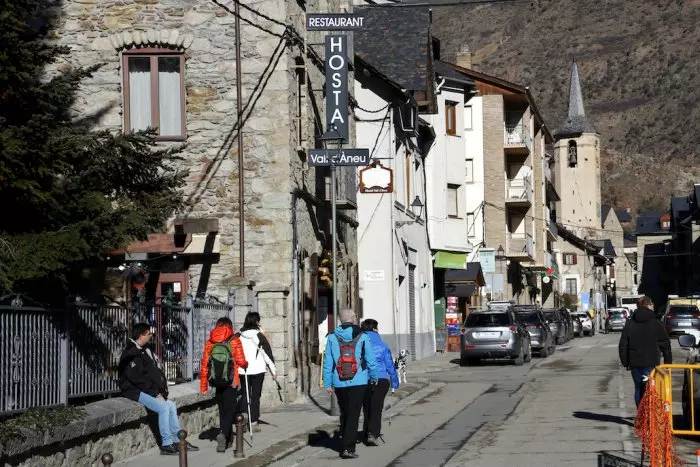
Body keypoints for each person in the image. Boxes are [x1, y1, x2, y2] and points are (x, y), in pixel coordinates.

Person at [119, 323, 199, 455]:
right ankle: (166, 444)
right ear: (141, 335)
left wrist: (159, 389)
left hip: (147, 389)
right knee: (163, 408)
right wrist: (155, 393)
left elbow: (150, 373)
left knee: (171, 406)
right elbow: (137, 379)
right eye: (149, 334)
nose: (151, 336)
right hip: (134, 391)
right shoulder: (131, 353)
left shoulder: (143, 349)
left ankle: (177, 440)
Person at [323, 309, 378, 459]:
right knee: (354, 414)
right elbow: (370, 359)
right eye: (355, 316)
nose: (356, 318)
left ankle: (345, 439)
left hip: (339, 382)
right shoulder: (362, 336)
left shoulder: (332, 337)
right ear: (352, 319)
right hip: (359, 381)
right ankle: (348, 448)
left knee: (345, 413)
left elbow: (328, 362)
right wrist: (374, 376)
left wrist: (327, 383)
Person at [200, 317, 248, 452]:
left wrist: (203, 386)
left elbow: (204, 364)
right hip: (231, 381)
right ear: (229, 326)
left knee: (222, 409)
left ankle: (226, 438)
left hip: (216, 382)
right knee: (230, 410)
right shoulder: (234, 340)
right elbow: (241, 360)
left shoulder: (210, 342)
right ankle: (224, 434)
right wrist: (246, 364)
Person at [618, 296, 672, 407]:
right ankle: (649, 416)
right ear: (648, 305)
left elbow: (623, 344)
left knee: (638, 388)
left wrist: (625, 362)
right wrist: (668, 363)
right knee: (651, 389)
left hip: (635, 363)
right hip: (651, 363)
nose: (653, 306)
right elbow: (665, 344)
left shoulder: (630, 324)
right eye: (652, 304)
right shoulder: (656, 323)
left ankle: (641, 415)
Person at [360, 319, 399, 446]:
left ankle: (366, 431)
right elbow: (389, 365)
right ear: (375, 329)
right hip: (381, 379)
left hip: (363, 380)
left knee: (367, 407)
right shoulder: (383, 345)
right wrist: (394, 380)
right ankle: (373, 433)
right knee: (376, 407)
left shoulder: (359, 343)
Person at [237, 312, 277, 433]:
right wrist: (273, 370)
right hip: (258, 370)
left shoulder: (238, 335)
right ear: (257, 322)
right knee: (255, 396)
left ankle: (243, 419)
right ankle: (253, 422)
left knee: (245, 395)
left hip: (243, 370)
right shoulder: (259, 336)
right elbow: (267, 354)